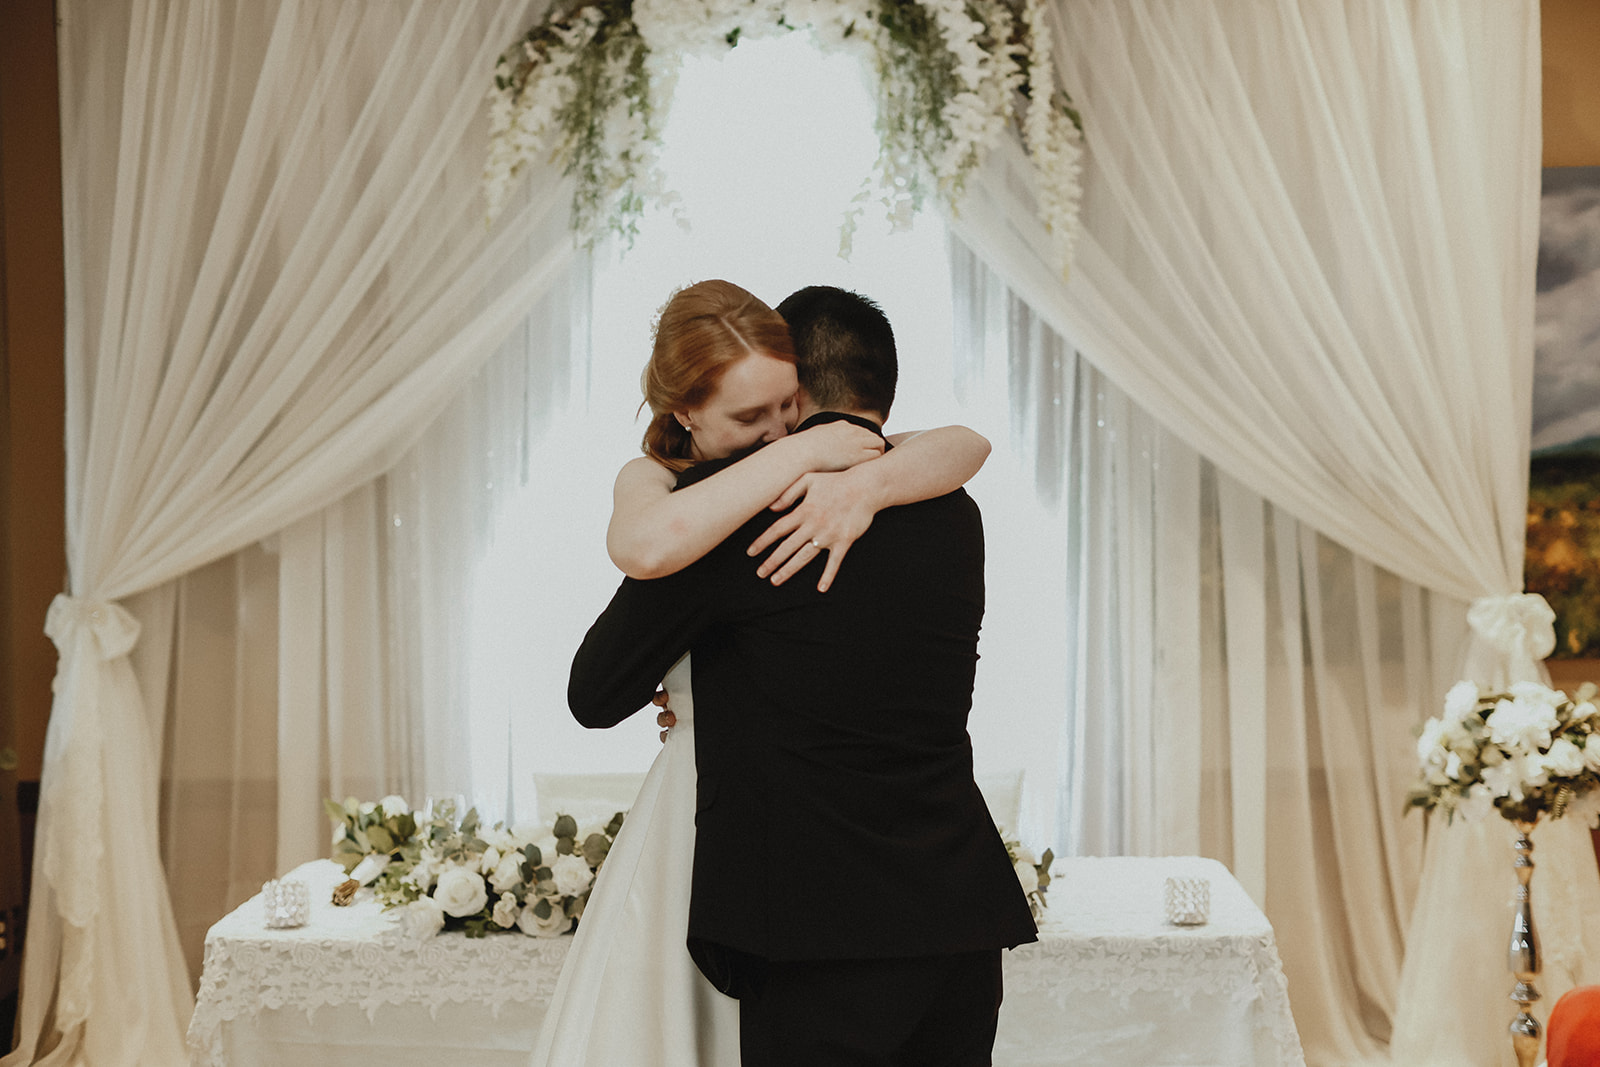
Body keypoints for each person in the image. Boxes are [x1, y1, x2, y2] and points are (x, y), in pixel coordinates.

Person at [569, 284, 1037, 1066]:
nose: (776, 432)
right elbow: (840, 652)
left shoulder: (729, 516)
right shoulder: (949, 503)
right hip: (955, 911)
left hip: (814, 928)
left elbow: (595, 694)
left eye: (779, 409)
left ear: (800, 385)